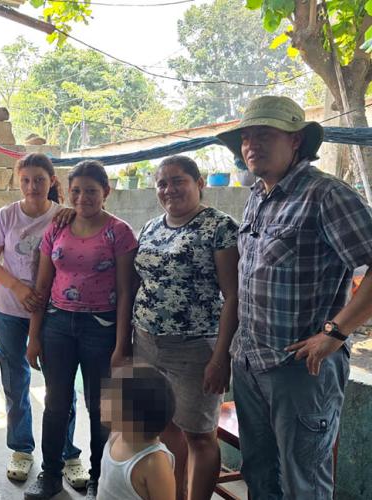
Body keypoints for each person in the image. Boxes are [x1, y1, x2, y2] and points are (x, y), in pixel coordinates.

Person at [215, 95, 372, 498]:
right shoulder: (259, 196)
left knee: (304, 481)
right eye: (247, 137)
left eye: (264, 134)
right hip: (250, 363)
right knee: (259, 472)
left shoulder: (325, 195)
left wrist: (335, 334)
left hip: (301, 370)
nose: (252, 145)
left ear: (297, 141)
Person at [25, 160, 138, 500]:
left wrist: (122, 344)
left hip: (100, 328)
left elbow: (125, 292)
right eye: (76, 191)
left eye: (91, 190)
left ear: (106, 191)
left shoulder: (119, 232)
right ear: (68, 192)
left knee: (100, 407)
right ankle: (50, 475)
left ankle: (98, 478)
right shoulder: (57, 227)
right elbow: (41, 287)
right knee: (55, 402)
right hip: (58, 325)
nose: (83, 197)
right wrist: (34, 336)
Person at [132, 155, 239, 500]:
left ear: (200, 183)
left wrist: (220, 357)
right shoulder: (151, 226)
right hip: (147, 342)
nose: (169, 189)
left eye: (179, 181)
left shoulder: (219, 227)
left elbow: (233, 295)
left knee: (200, 435)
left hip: (195, 348)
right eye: (162, 183)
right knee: (165, 427)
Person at [0, 153, 87, 486]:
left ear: (52, 181)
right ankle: (21, 450)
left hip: (54, 313)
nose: (32, 186)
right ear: (17, 181)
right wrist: (17, 287)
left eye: (40, 179)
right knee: (16, 381)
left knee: (61, 384)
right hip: (9, 312)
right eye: (26, 180)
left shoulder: (64, 217)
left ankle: (68, 454)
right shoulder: (6, 215)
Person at [98, 365, 176, 500]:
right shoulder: (116, 435)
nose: (102, 399)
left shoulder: (154, 464)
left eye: (110, 397)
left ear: (131, 418)